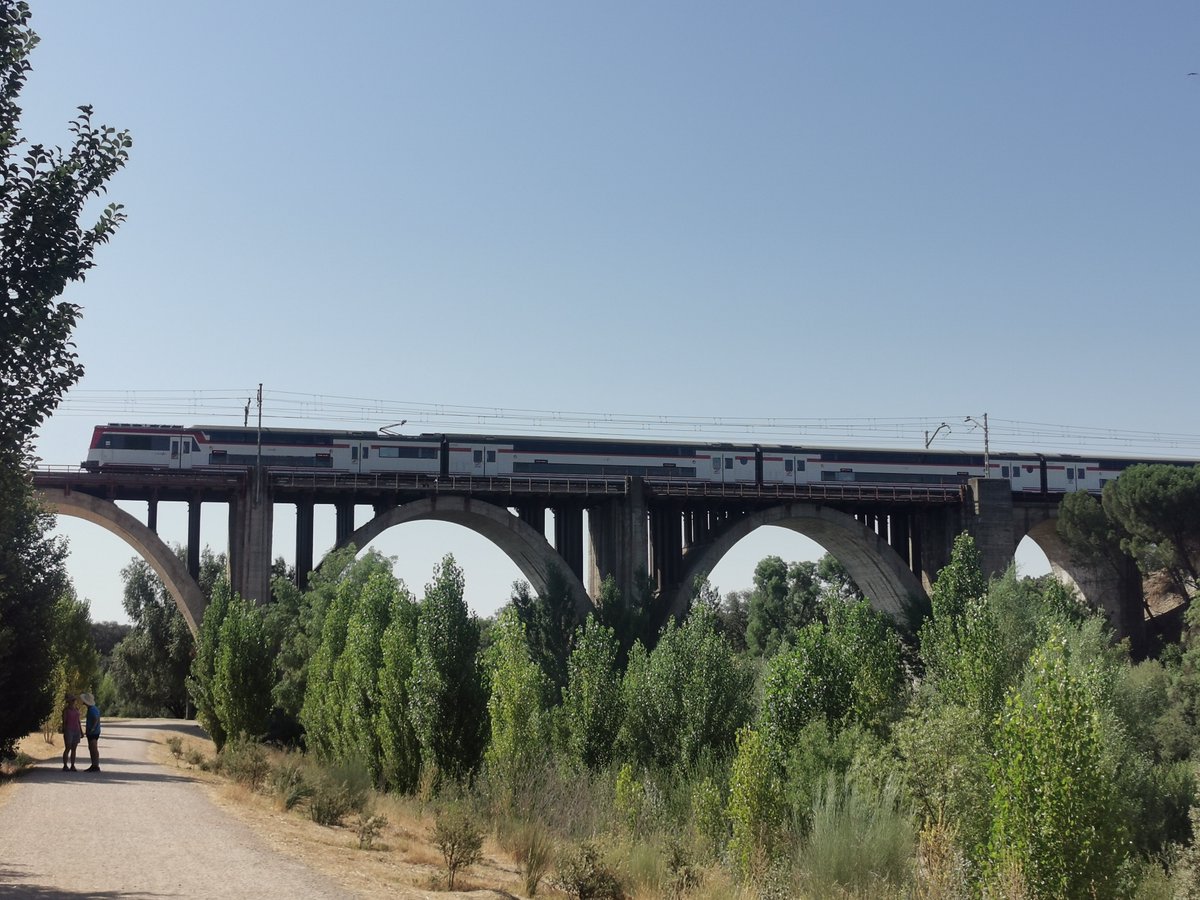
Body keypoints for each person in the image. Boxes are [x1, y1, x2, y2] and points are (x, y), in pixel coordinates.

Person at [80, 692, 101, 772]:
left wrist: (92, 728)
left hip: (93, 732)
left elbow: (96, 718)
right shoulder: (92, 709)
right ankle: (94, 764)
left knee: (93, 748)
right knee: (92, 748)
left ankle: (95, 765)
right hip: (93, 732)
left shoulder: (92, 709)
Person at [61, 694, 82, 771]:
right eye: (72, 700)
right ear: (68, 701)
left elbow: (78, 721)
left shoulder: (76, 709)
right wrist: (63, 729)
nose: (73, 701)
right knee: (68, 747)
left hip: (76, 730)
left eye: (74, 700)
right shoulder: (66, 710)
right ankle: (65, 765)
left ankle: (72, 765)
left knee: (74, 748)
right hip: (69, 730)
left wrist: (81, 731)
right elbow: (64, 721)